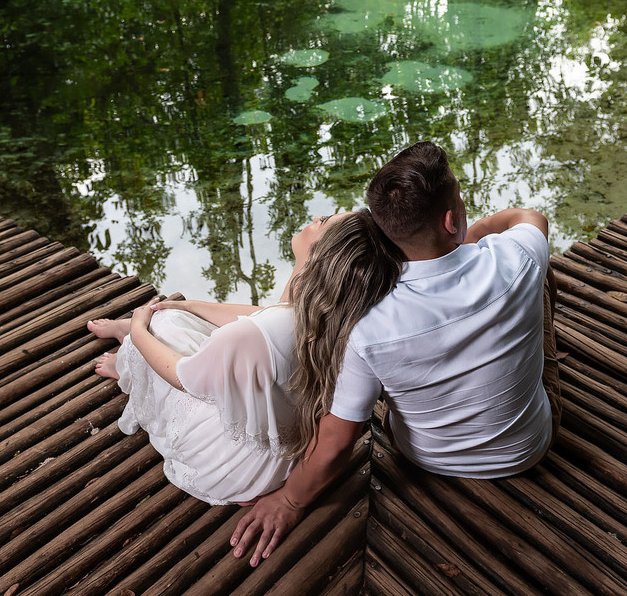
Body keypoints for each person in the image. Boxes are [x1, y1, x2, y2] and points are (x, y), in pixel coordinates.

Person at [230, 141, 558, 565]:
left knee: (380, 372)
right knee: (542, 274)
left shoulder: (367, 323)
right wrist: (469, 237)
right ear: (450, 217)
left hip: (426, 457)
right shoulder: (515, 258)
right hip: (526, 448)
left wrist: (291, 502)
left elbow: (337, 440)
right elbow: (529, 218)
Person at [88, 208, 402, 505]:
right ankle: (134, 337)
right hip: (275, 460)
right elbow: (266, 316)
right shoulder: (333, 318)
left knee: (162, 324)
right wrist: (191, 306)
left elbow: (182, 376)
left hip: (229, 466)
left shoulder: (253, 336)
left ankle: (125, 358)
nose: (316, 217)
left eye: (324, 221)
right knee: (179, 317)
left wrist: (141, 327)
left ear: (321, 254)